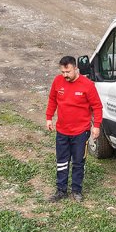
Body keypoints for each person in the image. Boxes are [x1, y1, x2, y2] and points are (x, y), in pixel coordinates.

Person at [45, 55, 101, 202]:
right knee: (62, 161)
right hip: (62, 131)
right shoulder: (58, 81)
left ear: (75, 68)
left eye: (68, 72)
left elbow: (97, 106)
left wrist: (97, 126)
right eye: (63, 72)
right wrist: (49, 117)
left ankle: (76, 190)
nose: (65, 75)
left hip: (81, 132)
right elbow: (52, 99)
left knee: (78, 162)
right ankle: (61, 190)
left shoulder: (87, 85)